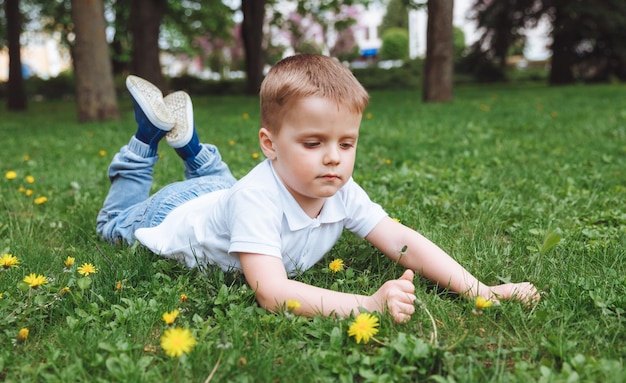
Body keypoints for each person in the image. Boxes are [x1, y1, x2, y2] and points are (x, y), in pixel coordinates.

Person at [97, 54, 539, 323]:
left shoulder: (336, 187)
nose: (334, 157)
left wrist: (480, 290)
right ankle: (147, 137)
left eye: (346, 143)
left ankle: (193, 147)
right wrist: (368, 305)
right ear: (269, 144)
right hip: (170, 214)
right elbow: (271, 292)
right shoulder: (256, 199)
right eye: (313, 143)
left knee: (223, 186)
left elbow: (403, 240)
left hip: (221, 196)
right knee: (112, 225)